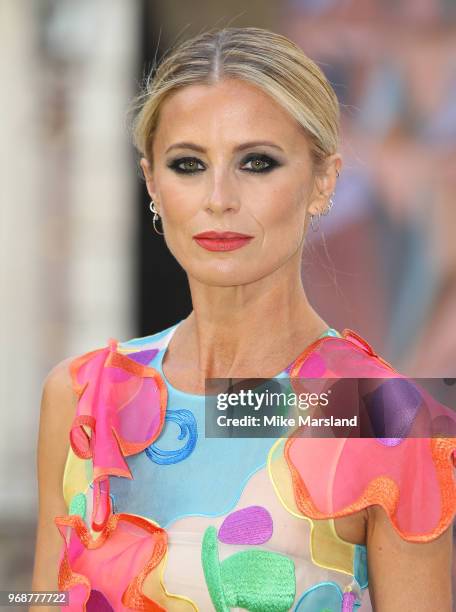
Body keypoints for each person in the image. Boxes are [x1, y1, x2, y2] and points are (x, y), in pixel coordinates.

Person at [31, 27, 455, 611]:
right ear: (152, 181)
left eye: (257, 162)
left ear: (323, 180)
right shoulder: (81, 396)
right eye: (188, 164)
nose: (219, 198)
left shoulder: (385, 415)